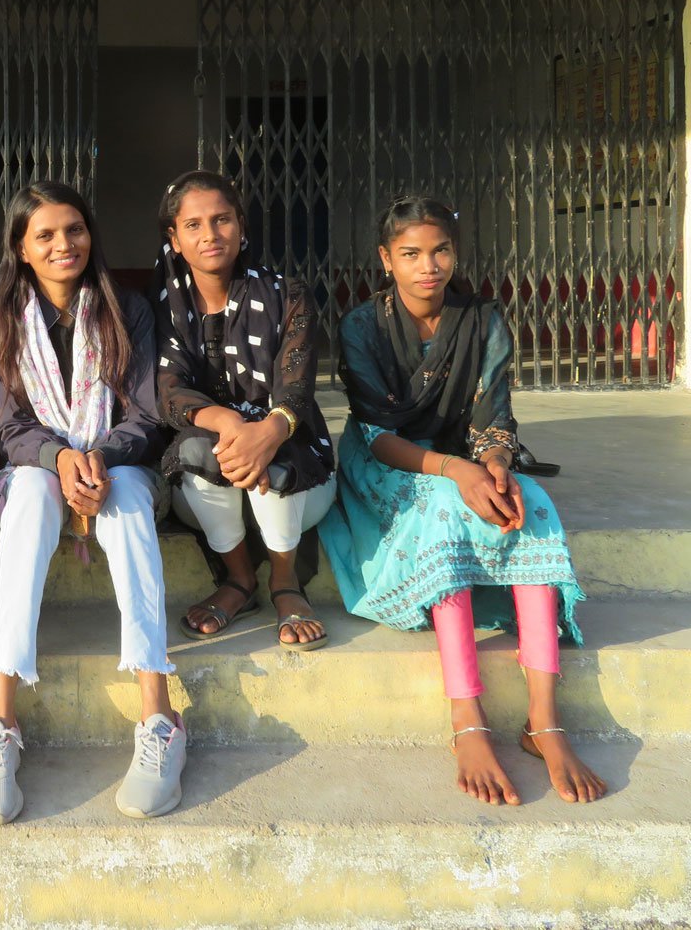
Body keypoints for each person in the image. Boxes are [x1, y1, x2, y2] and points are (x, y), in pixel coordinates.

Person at [318, 195, 606, 805]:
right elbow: (374, 432)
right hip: (388, 462)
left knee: (532, 503)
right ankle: (467, 718)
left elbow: (494, 418)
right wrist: (455, 472)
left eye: (441, 250)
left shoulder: (483, 320)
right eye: (411, 254)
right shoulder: (361, 326)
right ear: (385, 259)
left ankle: (543, 721)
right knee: (449, 508)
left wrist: (496, 467)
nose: (430, 266)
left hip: (466, 458)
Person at [0, 180, 181, 826]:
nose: (64, 244)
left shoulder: (127, 311)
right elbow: (9, 427)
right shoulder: (0, 320)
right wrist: (61, 459)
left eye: (75, 230)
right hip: (41, 468)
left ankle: (159, 717)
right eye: (46, 235)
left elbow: (146, 415)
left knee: (129, 507)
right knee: (28, 496)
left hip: (120, 467)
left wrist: (101, 459)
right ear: (21, 249)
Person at [153, 171, 335, 649]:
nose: (210, 235)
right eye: (192, 225)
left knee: (269, 454)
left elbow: (295, 390)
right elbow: (168, 391)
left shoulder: (287, 295)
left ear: (242, 226)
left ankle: (284, 581)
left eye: (222, 220)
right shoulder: (162, 311)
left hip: (299, 480)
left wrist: (265, 433)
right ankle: (238, 580)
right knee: (198, 446)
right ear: (174, 238)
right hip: (208, 483)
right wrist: (230, 423)